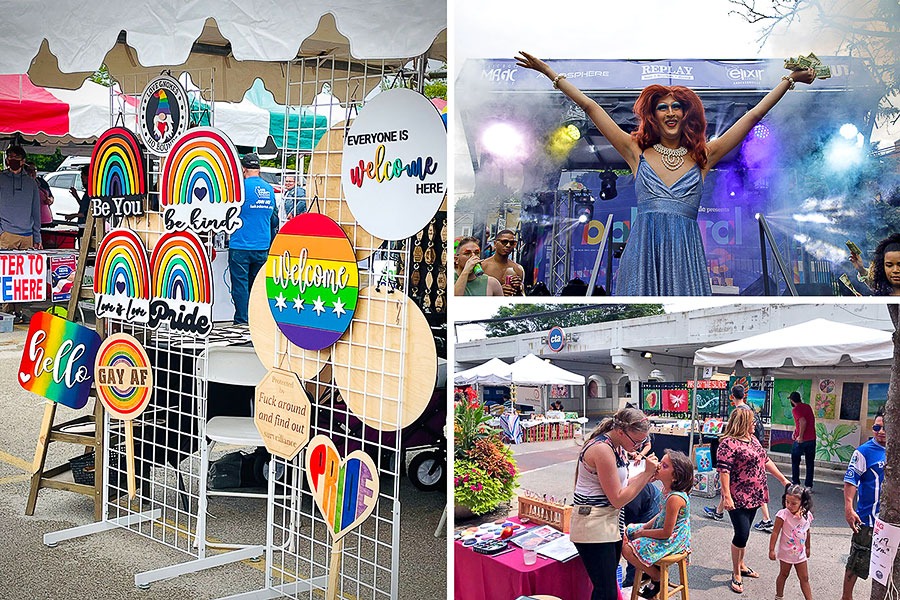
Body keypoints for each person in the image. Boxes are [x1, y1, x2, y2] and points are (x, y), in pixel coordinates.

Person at [514, 51, 816, 296]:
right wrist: (550, 73)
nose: (670, 112)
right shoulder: (635, 151)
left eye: (676, 107)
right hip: (644, 252)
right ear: (652, 114)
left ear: (686, 114)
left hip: (685, 254)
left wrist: (788, 80)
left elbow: (753, 116)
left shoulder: (704, 155)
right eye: (662, 107)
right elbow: (591, 107)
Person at [572, 407, 659, 600]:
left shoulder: (618, 446)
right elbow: (618, 498)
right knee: (606, 591)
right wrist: (645, 474)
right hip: (593, 524)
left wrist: (646, 477)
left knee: (607, 587)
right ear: (620, 431)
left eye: (643, 442)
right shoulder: (602, 449)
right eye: (636, 441)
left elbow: (621, 485)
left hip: (609, 522)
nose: (639, 446)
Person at [717, 407, 790, 594]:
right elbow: (724, 471)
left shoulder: (754, 440)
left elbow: (765, 461)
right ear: (742, 423)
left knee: (746, 533)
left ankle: (741, 564)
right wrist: (726, 496)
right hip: (738, 496)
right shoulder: (728, 444)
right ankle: (736, 573)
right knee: (740, 534)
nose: (755, 424)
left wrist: (783, 480)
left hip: (755, 493)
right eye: (752, 421)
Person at [621, 450, 693, 599]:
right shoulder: (666, 490)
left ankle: (656, 576)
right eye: (660, 462)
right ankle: (649, 570)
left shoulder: (675, 498)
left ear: (675, 477)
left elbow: (666, 532)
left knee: (627, 549)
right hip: (665, 532)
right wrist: (643, 526)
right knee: (627, 531)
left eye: (664, 466)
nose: (659, 466)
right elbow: (660, 515)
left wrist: (641, 532)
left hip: (673, 539)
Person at [703, 385, 773, 532]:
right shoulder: (749, 408)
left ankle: (766, 519)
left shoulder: (740, 412)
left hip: (746, 451)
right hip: (751, 449)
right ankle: (719, 511)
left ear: (731, 396)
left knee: (749, 483)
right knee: (738, 482)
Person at [841, 408, 886, 600]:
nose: (880, 431)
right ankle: (846, 597)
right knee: (857, 560)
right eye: (877, 427)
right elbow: (851, 481)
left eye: (885, 427)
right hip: (867, 520)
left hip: (892, 522)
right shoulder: (863, 452)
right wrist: (849, 508)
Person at [229, 153, 275, 325]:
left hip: (241, 243)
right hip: (262, 244)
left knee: (240, 286)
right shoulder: (269, 189)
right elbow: (274, 218)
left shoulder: (238, 187)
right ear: (259, 169)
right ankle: (256, 322)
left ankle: (242, 322)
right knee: (256, 287)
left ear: (243, 169)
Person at [768, 484, 814, 600]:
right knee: (784, 574)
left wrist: (808, 547)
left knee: (804, 578)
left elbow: (807, 532)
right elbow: (775, 532)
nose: (789, 505)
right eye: (787, 502)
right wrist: (771, 549)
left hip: (800, 554)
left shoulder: (807, 515)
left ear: (802, 502)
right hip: (786, 553)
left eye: (793, 503)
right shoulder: (783, 514)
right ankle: (779, 596)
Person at [0, 145, 42, 249]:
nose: (13, 159)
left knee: (27, 266)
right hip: (6, 234)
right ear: (7, 160)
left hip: (27, 236)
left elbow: (36, 212)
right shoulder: (1, 179)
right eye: (10, 157)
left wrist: (37, 238)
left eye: (16, 157)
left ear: (23, 161)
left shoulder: (31, 183)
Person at [480, 229, 525, 296]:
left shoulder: (518, 269)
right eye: (504, 242)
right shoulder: (483, 266)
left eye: (512, 243)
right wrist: (498, 291)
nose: (508, 245)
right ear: (495, 243)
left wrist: (518, 289)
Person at [790, 391, 817, 490]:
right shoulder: (807, 407)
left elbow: (803, 421)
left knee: (795, 461)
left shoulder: (796, 409)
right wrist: (795, 431)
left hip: (802, 440)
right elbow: (805, 421)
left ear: (792, 400)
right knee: (810, 462)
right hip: (812, 438)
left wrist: (800, 436)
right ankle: (808, 485)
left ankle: (796, 482)